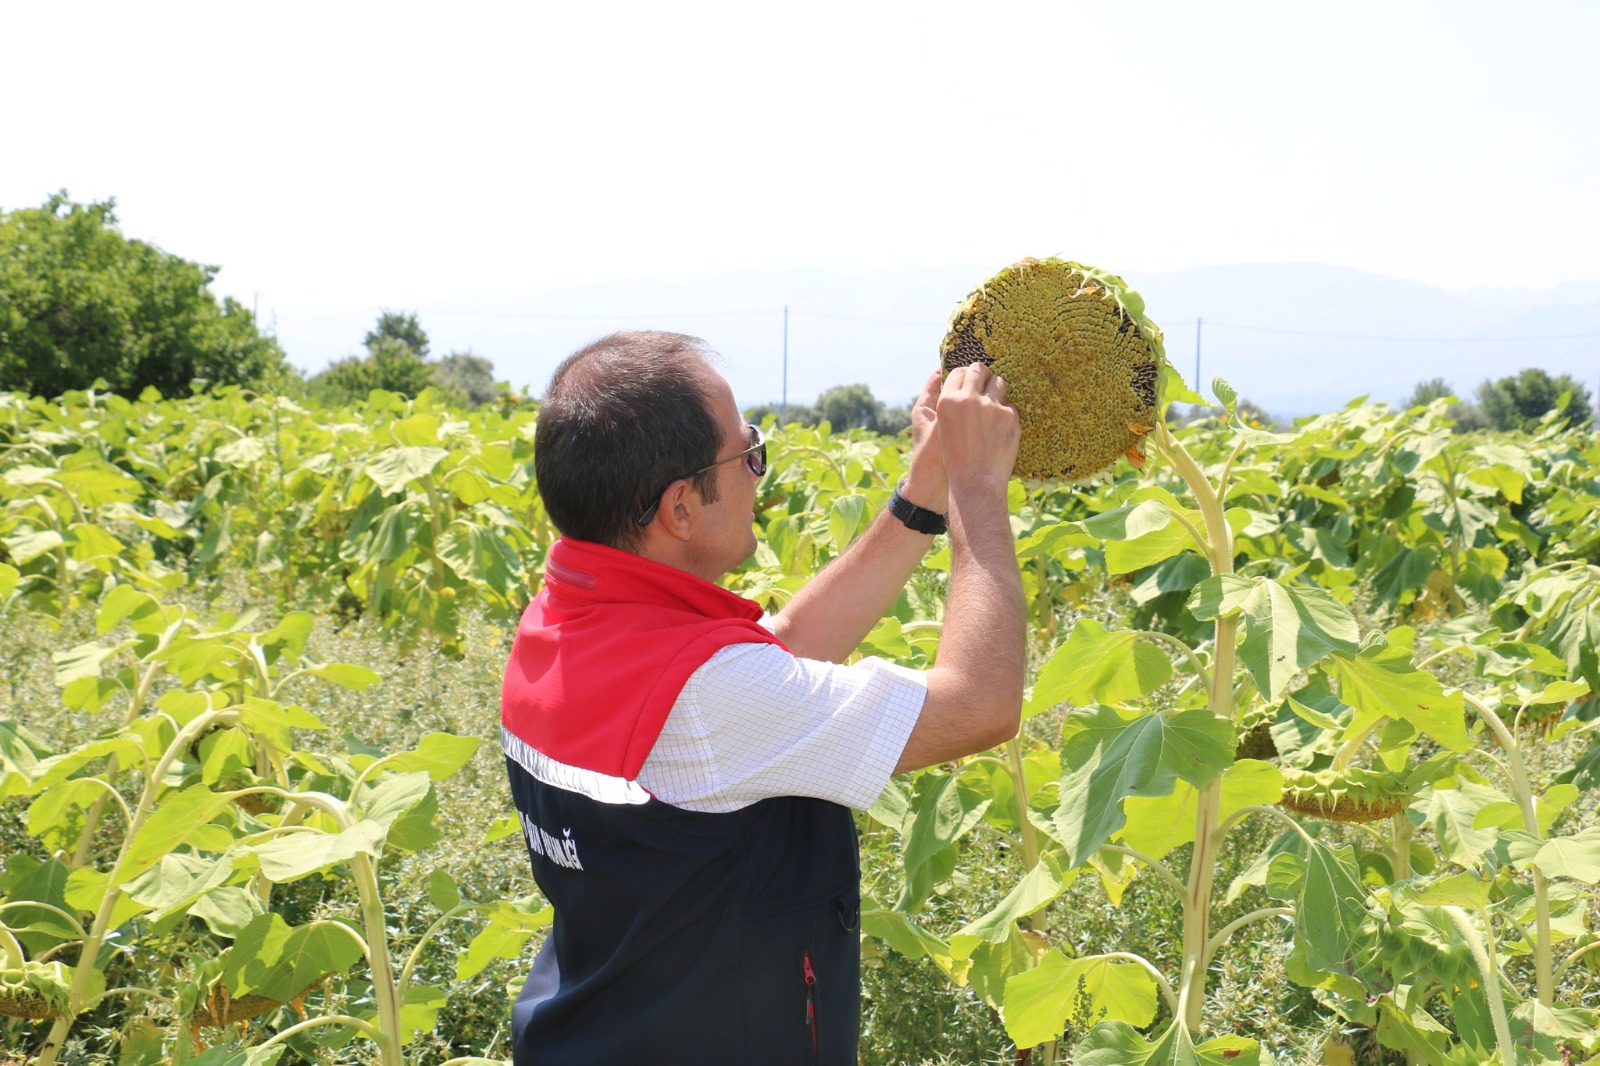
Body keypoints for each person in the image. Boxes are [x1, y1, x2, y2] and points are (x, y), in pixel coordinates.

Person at [500, 330, 1024, 1064]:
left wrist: (924, 491)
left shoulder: (561, 622)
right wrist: (978, 487)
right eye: (748, 453)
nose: (758, 472)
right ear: (681, 509)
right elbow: (980, 705)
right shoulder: (708, 697)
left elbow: (778, 652)